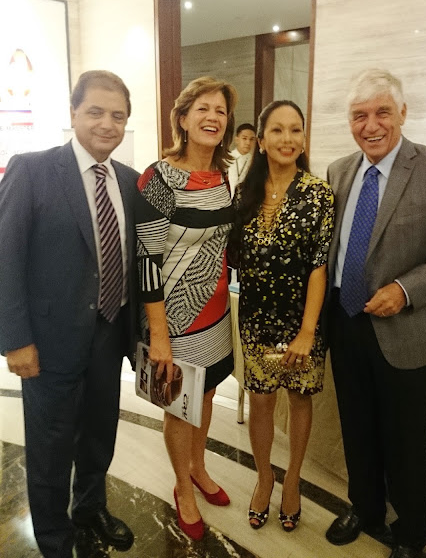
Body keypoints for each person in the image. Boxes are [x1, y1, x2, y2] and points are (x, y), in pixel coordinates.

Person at [325, 68, 426, 558]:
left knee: (405, 439)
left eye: (382, 112)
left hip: (407, 329)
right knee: (356, 427)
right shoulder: (338, 171)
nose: (370, 125)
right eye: (359, 115)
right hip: (346, 322)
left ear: (403, 113)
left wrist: (405, 290)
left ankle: (412, 533)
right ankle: (365, 508)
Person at [0, 70, 139, 558]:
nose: (107, 124)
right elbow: (6, 257)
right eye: (95, 112)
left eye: (117, 115)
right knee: (51, 447)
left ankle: (90, 509)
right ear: (73, 112)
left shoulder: (130, 181)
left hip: (109, 334)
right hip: (47, 340)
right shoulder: (32, 170)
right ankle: (54, 539)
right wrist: (15, 339)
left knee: (100, 434)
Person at [135, 76, 238, 541]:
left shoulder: (222, 175)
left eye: (220, 110)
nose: (213, 117)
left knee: (208, 393)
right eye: (203, 108)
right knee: (179, 405)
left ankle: (198, 466)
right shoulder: (160, 178)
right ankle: (183, 486)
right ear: (182, 118)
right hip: (173, 318)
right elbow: (146, 260)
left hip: (215, 312)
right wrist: (158, 336)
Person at [229, 100, 334, 532]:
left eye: (295, 130)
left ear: (303, 139)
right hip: (256, 319)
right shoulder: (245, 193)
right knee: (261, 401)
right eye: (277, 130)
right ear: (261, 140)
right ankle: (264, 478)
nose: (287, 139)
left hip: (302, 322)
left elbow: (319, 266)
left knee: (299, 398)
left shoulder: (319, 194)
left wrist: (307, 332)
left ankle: (292, 479)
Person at [227, 122, 256, 195]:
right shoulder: (226, 158)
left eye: (251, 139)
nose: (248, 142)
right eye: (244, 138)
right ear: (236, 140)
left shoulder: (254, 161)